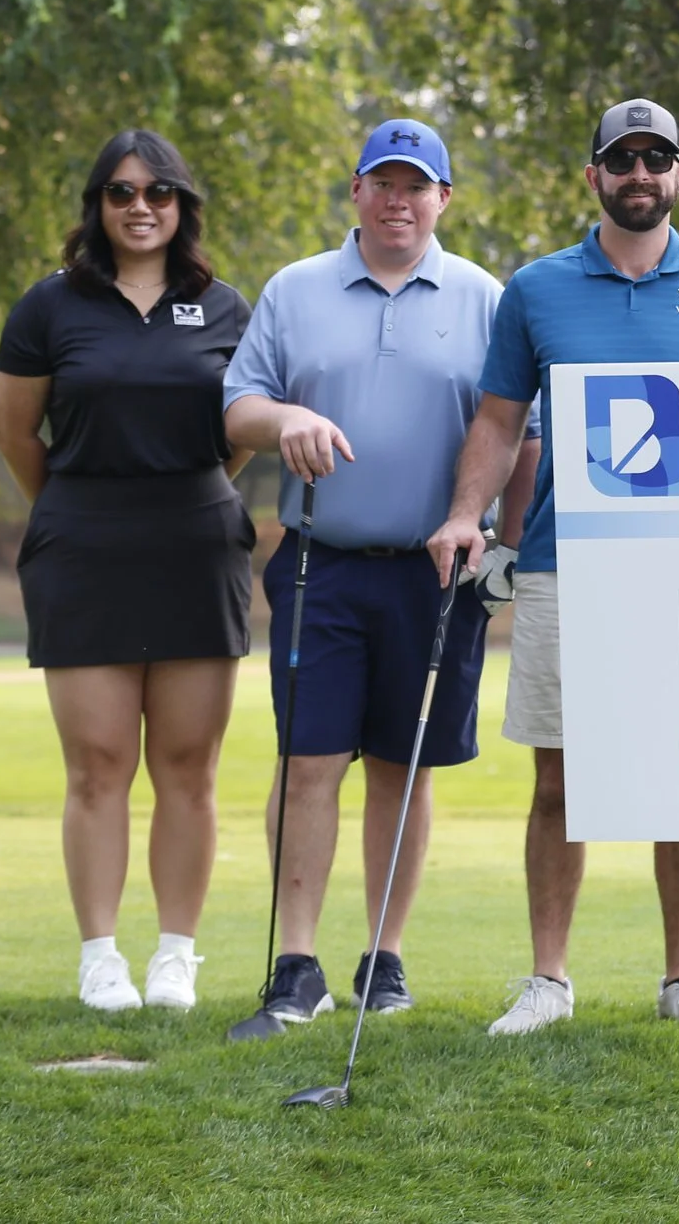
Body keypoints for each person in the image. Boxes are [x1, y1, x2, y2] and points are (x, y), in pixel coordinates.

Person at [437, 98, 679, 1036]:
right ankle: (549, 979)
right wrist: (468, 515)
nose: (638, 174)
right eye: (620, 160)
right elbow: (502, 419)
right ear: (593, 175)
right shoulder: (539, 287)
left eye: (655, 159)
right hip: (565, 565)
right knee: (562, 777)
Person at [220, 117, 538, 1033]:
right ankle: (295, 962)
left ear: (443, 198)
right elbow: (236, 406)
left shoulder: (487, 297)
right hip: (320, 561)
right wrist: (281, 419)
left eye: (418, 185)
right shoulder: (297, 289)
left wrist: (505, 553)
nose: (399, 200)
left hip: (440, 571)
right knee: (309, 759)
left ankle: (384, 957)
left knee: (406, 766)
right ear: (356, 190)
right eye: (382, 182)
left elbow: (522, 434)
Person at [0, 130, 256, 1013]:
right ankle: (100, 956)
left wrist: (192, 496)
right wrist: (76, 507)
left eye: (159, 192)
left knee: (188, 763)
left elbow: (241, 431)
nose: (140, 207)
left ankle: (176, 955)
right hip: (84, 547)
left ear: (183, 206)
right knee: (98, 763)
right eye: (120, 191)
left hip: (198, 544)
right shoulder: (48, 306)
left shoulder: (224, 306)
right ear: (96, 205)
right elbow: (16, 436)